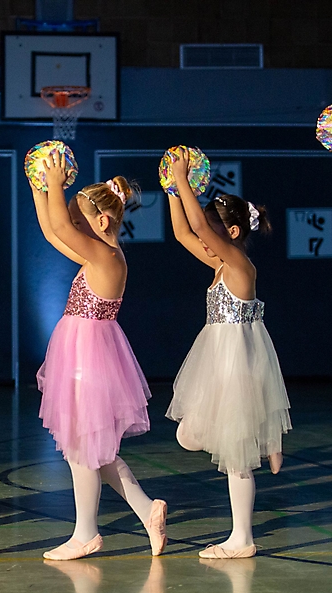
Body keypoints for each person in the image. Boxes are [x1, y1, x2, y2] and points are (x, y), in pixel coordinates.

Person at [33, 156, 167, 560]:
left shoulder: (106, 258)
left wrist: (55, 182)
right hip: (81, 353)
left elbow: (60, 228)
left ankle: (86, 534)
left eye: (80, 221)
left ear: (103, 222)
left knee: (82, 448)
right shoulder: (97, 256)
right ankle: (147, 510)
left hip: (87, 357)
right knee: (95, 449)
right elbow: (52, 232)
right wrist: (39, 186)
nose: (73, 228)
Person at [166, 150, 290, 559]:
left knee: (235, 456)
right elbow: (184, 233)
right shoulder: (219, 264)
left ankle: (242, 538)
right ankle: (262, 438)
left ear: (233, 233)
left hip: (239, 362)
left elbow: (198, 226)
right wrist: (171, 188)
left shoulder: (239, 264)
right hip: (217, 362)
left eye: (213, 234)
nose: (204, 240)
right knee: (188, 436)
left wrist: (183, 178)